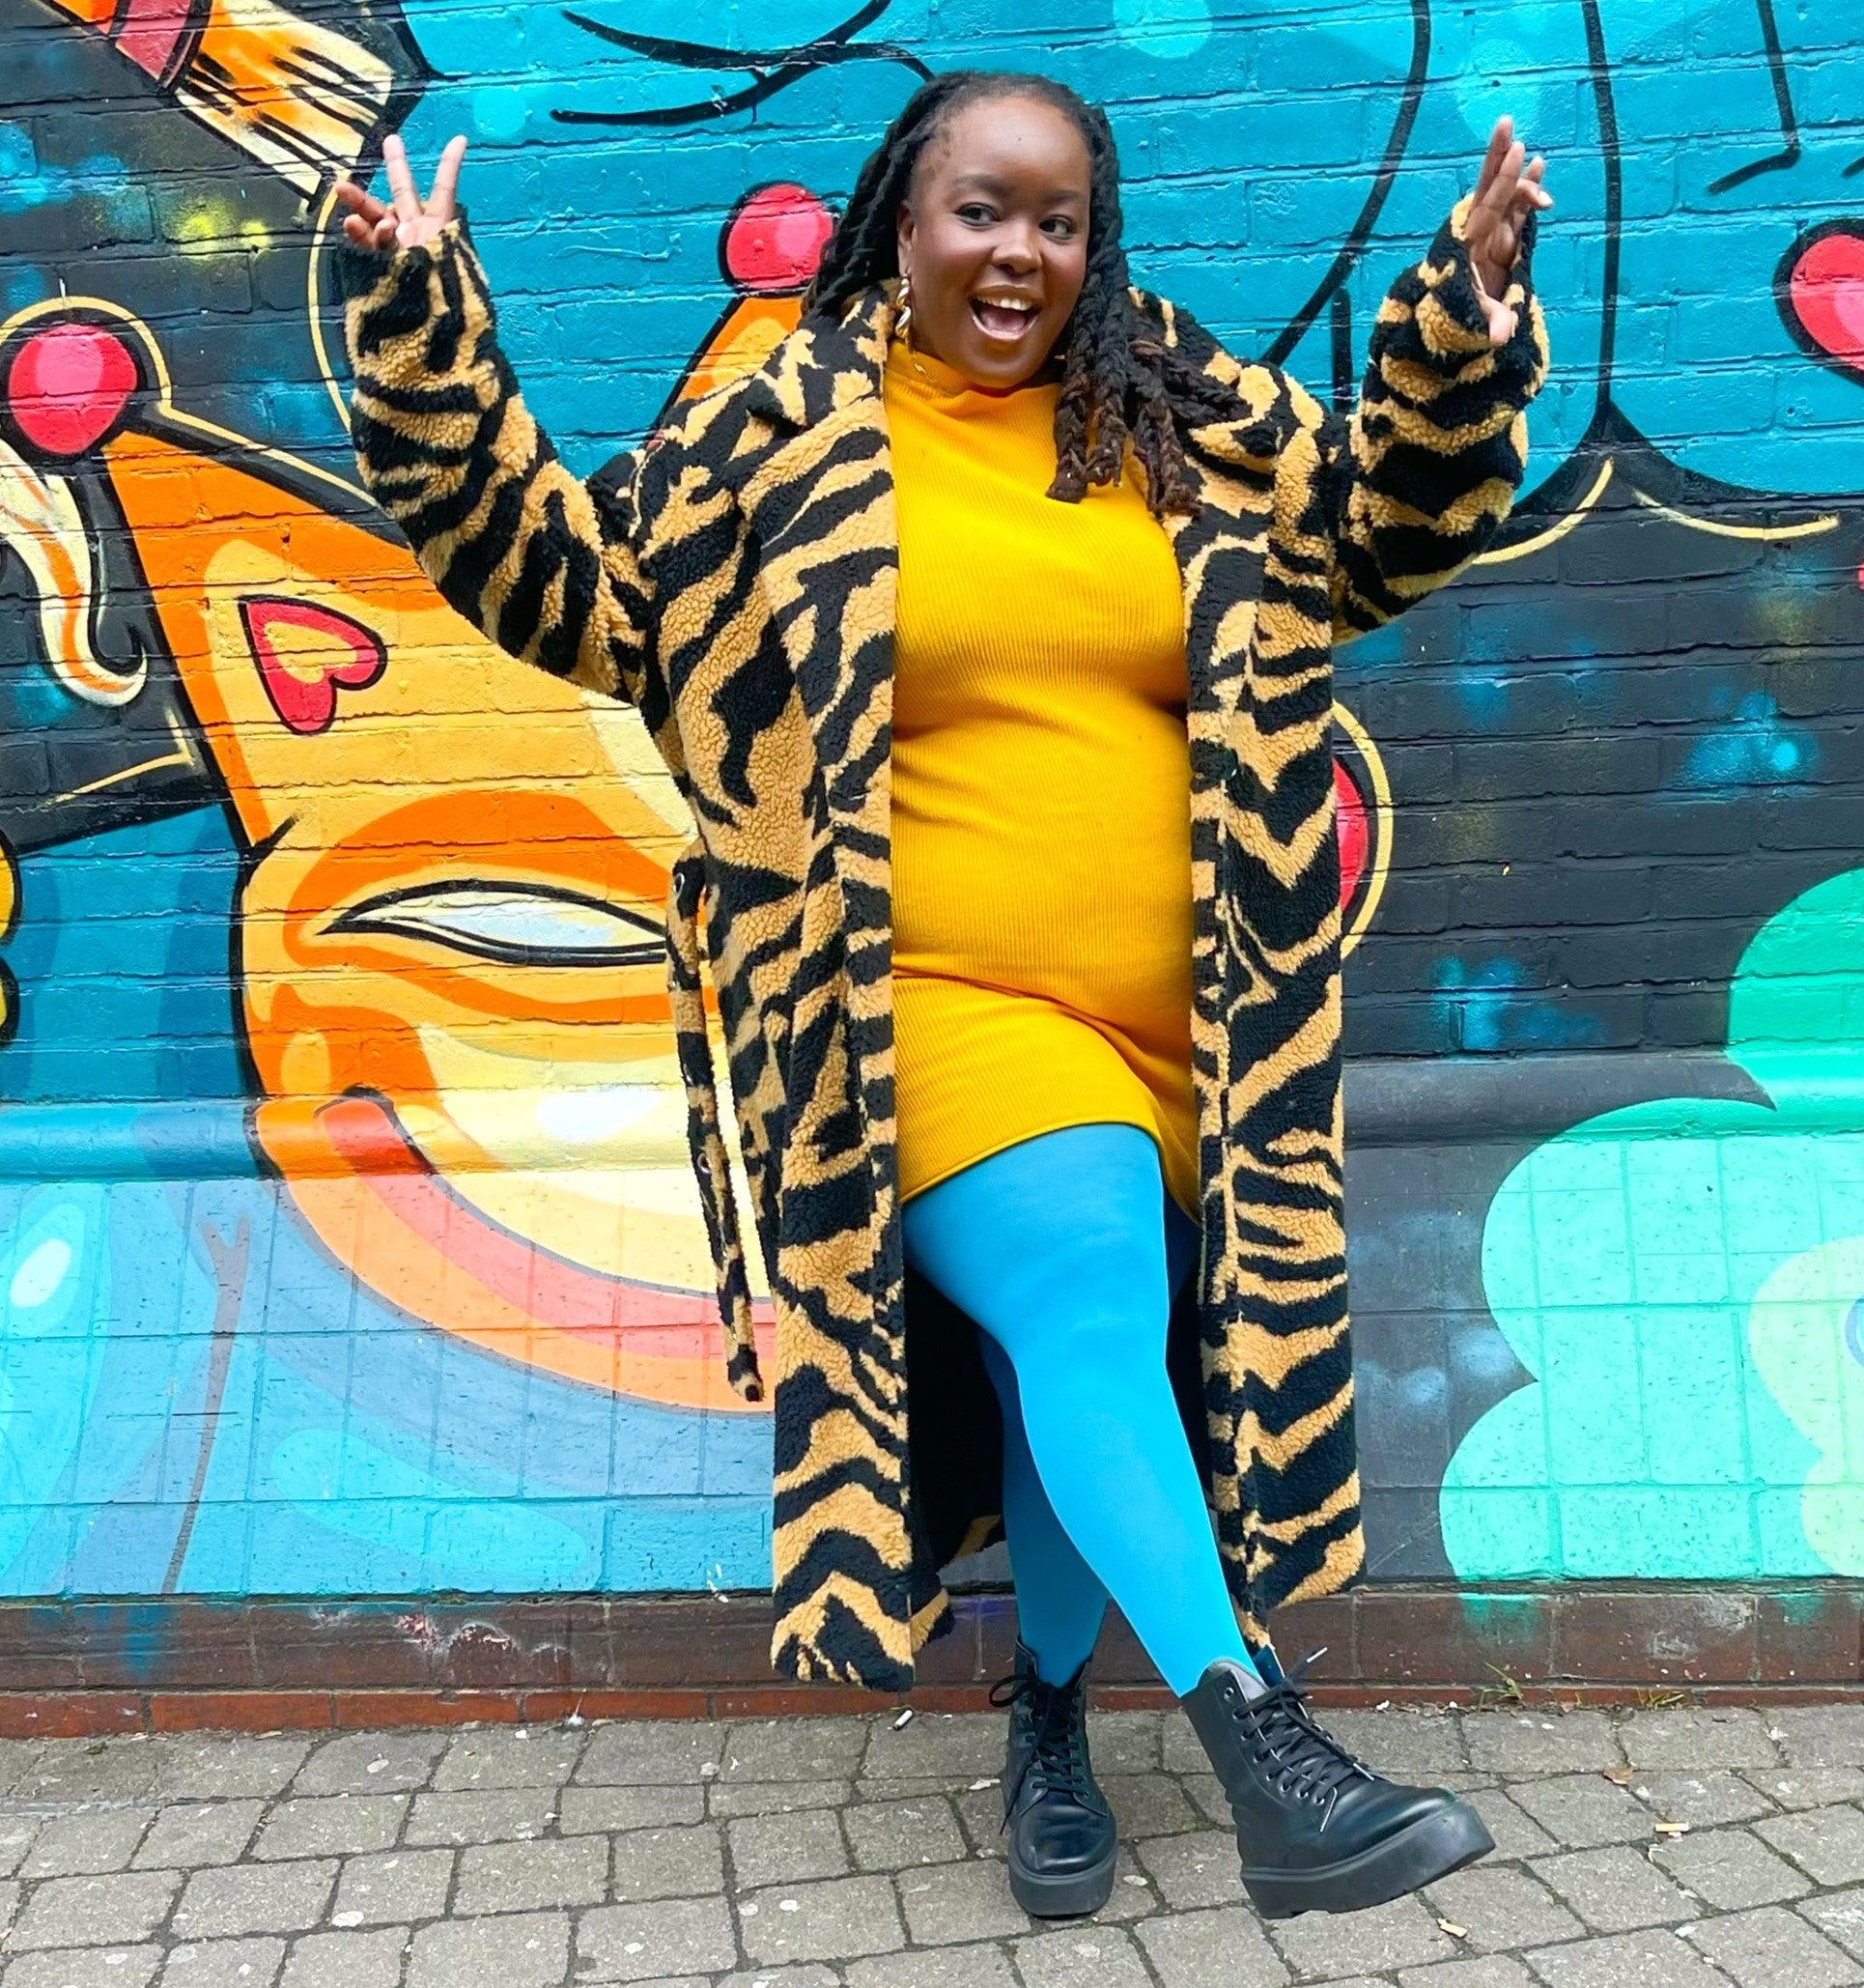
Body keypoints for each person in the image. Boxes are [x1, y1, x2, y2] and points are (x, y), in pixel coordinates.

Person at [331, 70, 1548, 1922]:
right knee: (1081, 1279)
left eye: (1058, 220)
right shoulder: (774, 445)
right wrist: (425, 332)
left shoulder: (1189, 423)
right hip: (933, 1009)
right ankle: (1271, 1755)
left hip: (1195, 1040)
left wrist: (1460, 318)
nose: (1018, 253)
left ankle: (1047, 1718)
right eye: (982, 208)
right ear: (901, 217)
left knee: (1082, 1352)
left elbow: (1387, 529)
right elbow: (555, 582)